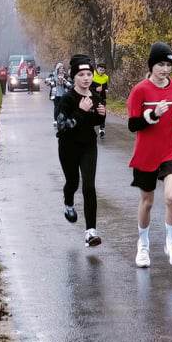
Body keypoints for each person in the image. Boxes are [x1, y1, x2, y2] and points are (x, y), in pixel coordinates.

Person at [126, 42, 172, 267]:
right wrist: (153, 114)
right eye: (160, 64)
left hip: (171, 149)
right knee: (147, 202)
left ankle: (171, 243)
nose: (165, 69)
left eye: (168, 65)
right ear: (151, 65)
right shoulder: (140, 90)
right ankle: (143, 245)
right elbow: (133, 125)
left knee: (171, 197)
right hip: (146, 153)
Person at [53, 54, 107, 246]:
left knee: (89, 186)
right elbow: (62, 127)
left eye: (89, 74)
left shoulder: (96, 97)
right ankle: (68, 203)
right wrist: (81, 111)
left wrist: (101, 116)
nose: (86, 78)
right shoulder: (67, 99)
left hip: (88, 146)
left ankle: (91, 232)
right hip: (68, 147)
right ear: (74, 77)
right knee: (73, 182)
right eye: (81, 75)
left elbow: (94, 121)